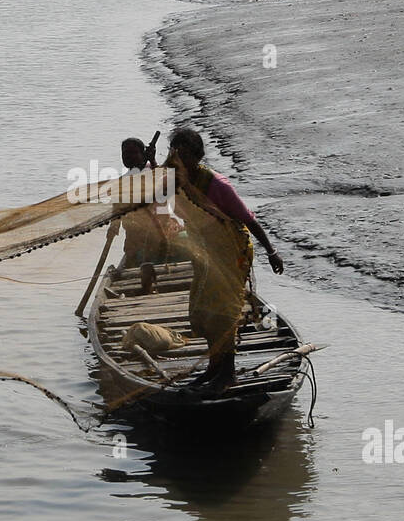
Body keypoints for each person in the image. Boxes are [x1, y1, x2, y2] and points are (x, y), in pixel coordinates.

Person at [164, 127, 284, 393]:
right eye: (175, 153)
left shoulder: (217, 185)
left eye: (184, 154)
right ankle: (214, 368)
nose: (178, 159)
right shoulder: (177, 182)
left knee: (222, 312)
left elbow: (248, 218)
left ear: (196, 156)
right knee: (203, 310)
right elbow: (152, 190)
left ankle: (227, 374)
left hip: (232, 252)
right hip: (206, 251)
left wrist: (271, 251)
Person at [118, 136, 184, 268]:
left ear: (143, 155)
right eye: (125, 153)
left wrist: (153, 160)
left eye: (133, 153)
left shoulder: (154, 172)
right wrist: (113, 228)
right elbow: (117, 212)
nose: (128, 157)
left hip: (162, 230)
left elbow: (168, 189)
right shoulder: (122, 181)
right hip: (136, 237)